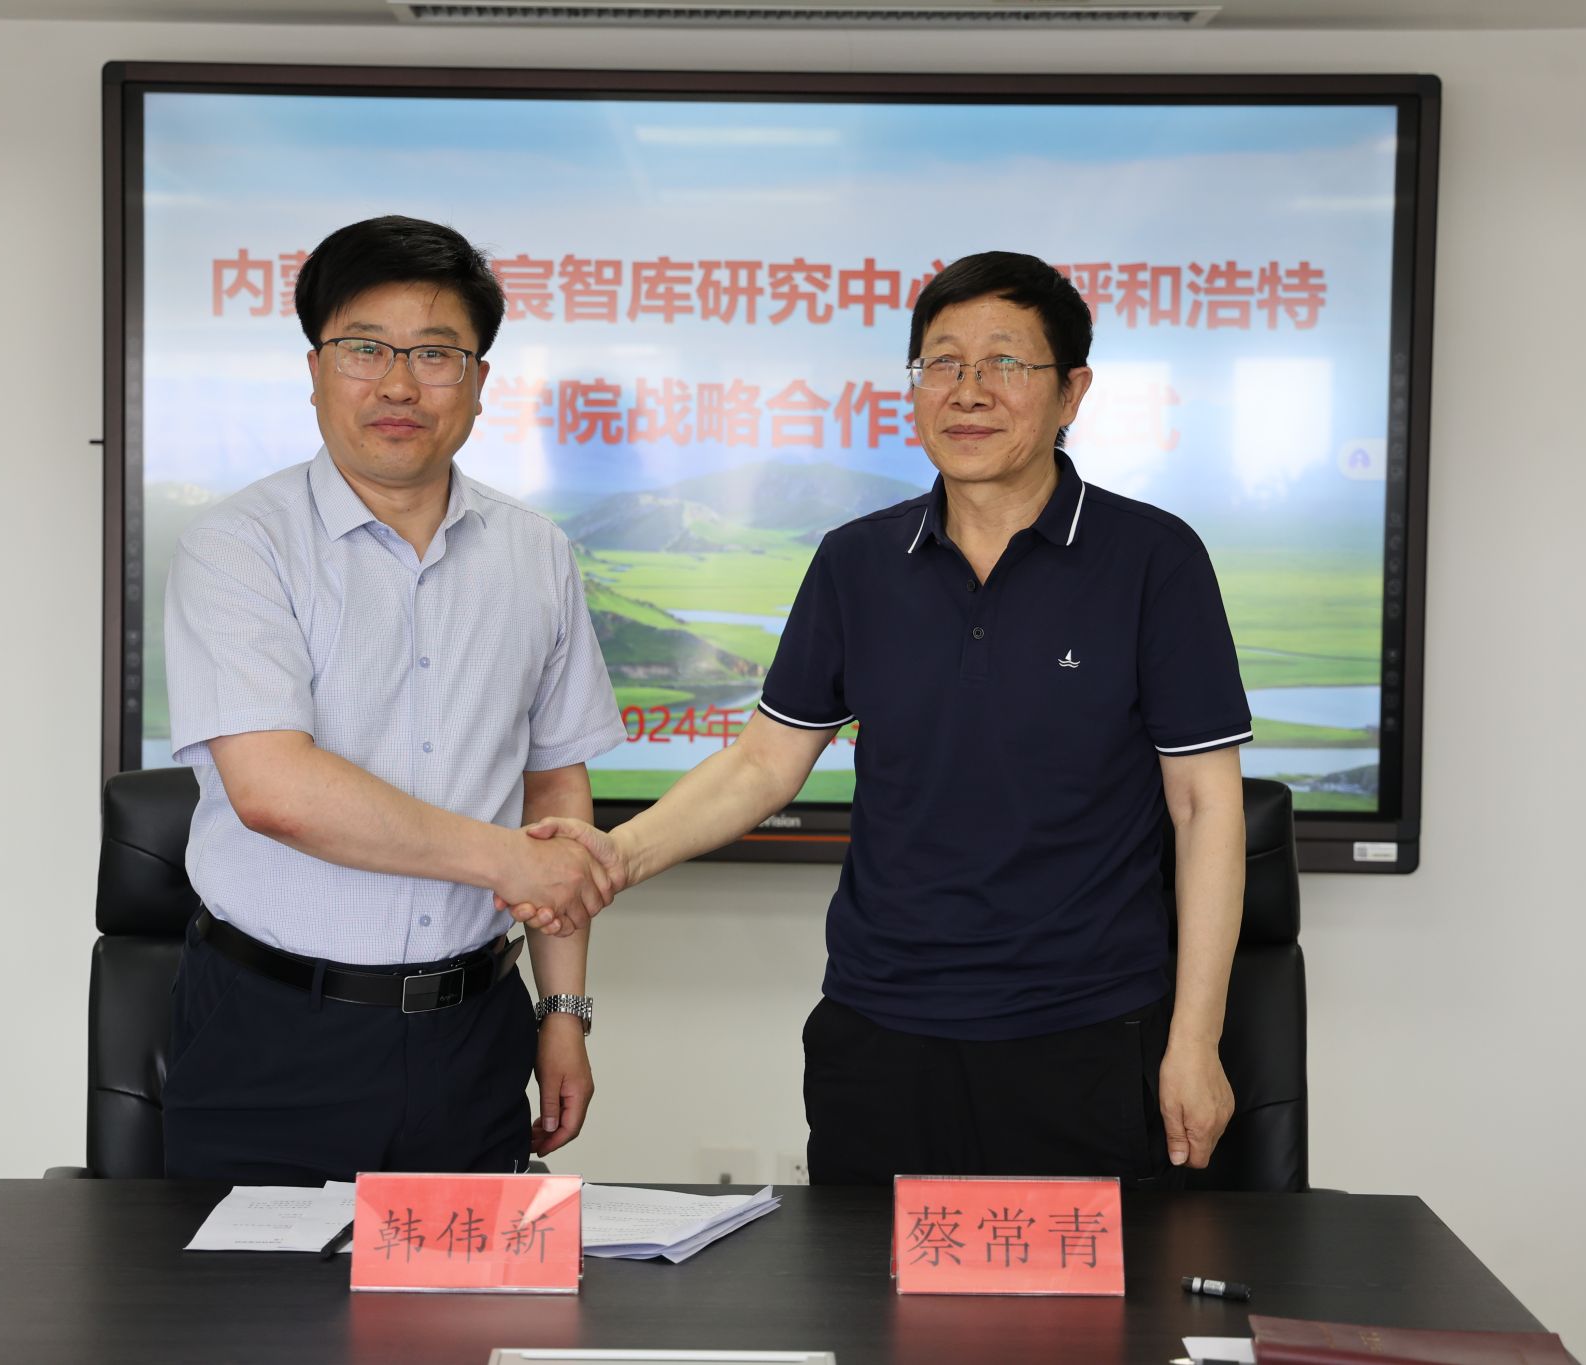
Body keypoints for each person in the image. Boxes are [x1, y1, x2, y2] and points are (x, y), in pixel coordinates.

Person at [510, 251, 1252, 1187]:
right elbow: (762, 766)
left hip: (1088, 1031)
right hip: (879, 1030)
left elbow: (1204, 807)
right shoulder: (856, 563)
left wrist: (1196, 1039)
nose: (968, 391)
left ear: (1073, 391)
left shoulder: (1153, 560)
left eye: (1005, 362)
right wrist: (612, 858)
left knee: (1077, 1288)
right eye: (942, 362)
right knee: (869, 1282)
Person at [161, 215, 625, 1184]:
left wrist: (563, 1012)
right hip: (274, 1031)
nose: (400, 385)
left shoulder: (535, 552)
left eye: (435, 354)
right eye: (365, 349)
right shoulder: (239, 547)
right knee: (250, 1287)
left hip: (474, 1035)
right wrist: (506, 860)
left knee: (468, 1285)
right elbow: (276, 791)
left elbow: (555, 790)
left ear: (480, 381)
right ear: (315, 369)